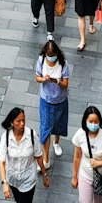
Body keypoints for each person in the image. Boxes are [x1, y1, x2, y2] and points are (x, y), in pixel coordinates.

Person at [0, 106, 48, 203]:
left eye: (23, 120)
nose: (22, 124)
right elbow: (1, 161)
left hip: (28, 178)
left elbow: (38, 156)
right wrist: (4, 183)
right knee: (20, 202)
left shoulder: (31, 135)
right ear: (12, 122)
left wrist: (44, 174)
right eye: (18, 121)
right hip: (12, 178)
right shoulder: (6, 137)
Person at [35, 39, 70, 170]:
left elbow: (66, 84)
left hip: (60, 100)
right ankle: (46, 160)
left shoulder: (62, 63)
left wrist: (56, 81)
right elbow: (37, 77)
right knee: (45, 128)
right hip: (45, 100)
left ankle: (56, 142)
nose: (51, 59)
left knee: (58, 125)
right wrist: (43, 79)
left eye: (53, 56)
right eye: (49, 56)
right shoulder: (41, 61)